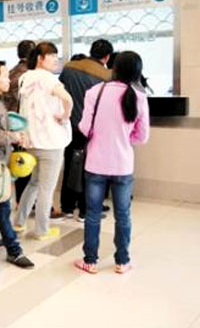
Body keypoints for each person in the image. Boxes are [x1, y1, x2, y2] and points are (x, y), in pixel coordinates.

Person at [75, 51, 149, 274]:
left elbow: (84, 127)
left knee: (92, 214)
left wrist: (100, 136)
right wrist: (124, 139)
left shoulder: (95, 92)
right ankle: (122, 261)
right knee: (123, 215)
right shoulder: (139, 96)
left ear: (114, 68)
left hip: (95, 163)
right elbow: (142, 137)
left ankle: (90, 261)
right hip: (123, 164)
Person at [14, 42, 73, 240]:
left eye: (56, 55)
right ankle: (41, 230)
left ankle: (19, 222)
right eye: (52, 55)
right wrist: (65, 116)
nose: (56, 59)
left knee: (34, 183)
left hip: (32, 140)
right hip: (51, 142)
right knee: (46, 189)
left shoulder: (25, 77)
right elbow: (68, 99)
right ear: (40, 58)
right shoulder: (48, 78)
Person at [0, 61, 35, 269]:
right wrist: (15, 137)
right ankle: (14, 250)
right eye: (3, 76)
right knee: (3, 207)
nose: (8, 80)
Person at [59, 39, 113, 222]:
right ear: (107, 57)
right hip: (91, 129)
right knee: (89, 169)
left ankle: (67, 207)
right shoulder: (107, 76)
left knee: (70, 166)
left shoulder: (69, 68)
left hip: (68, 126)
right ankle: (84, 210)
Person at [5, 40, 35, 205]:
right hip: (25, 124)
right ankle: (28, 203)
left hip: (11, 123)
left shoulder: (11, 72)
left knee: (19, 161)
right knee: (28, 163)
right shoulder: (29, 75)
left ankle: (20, 201)